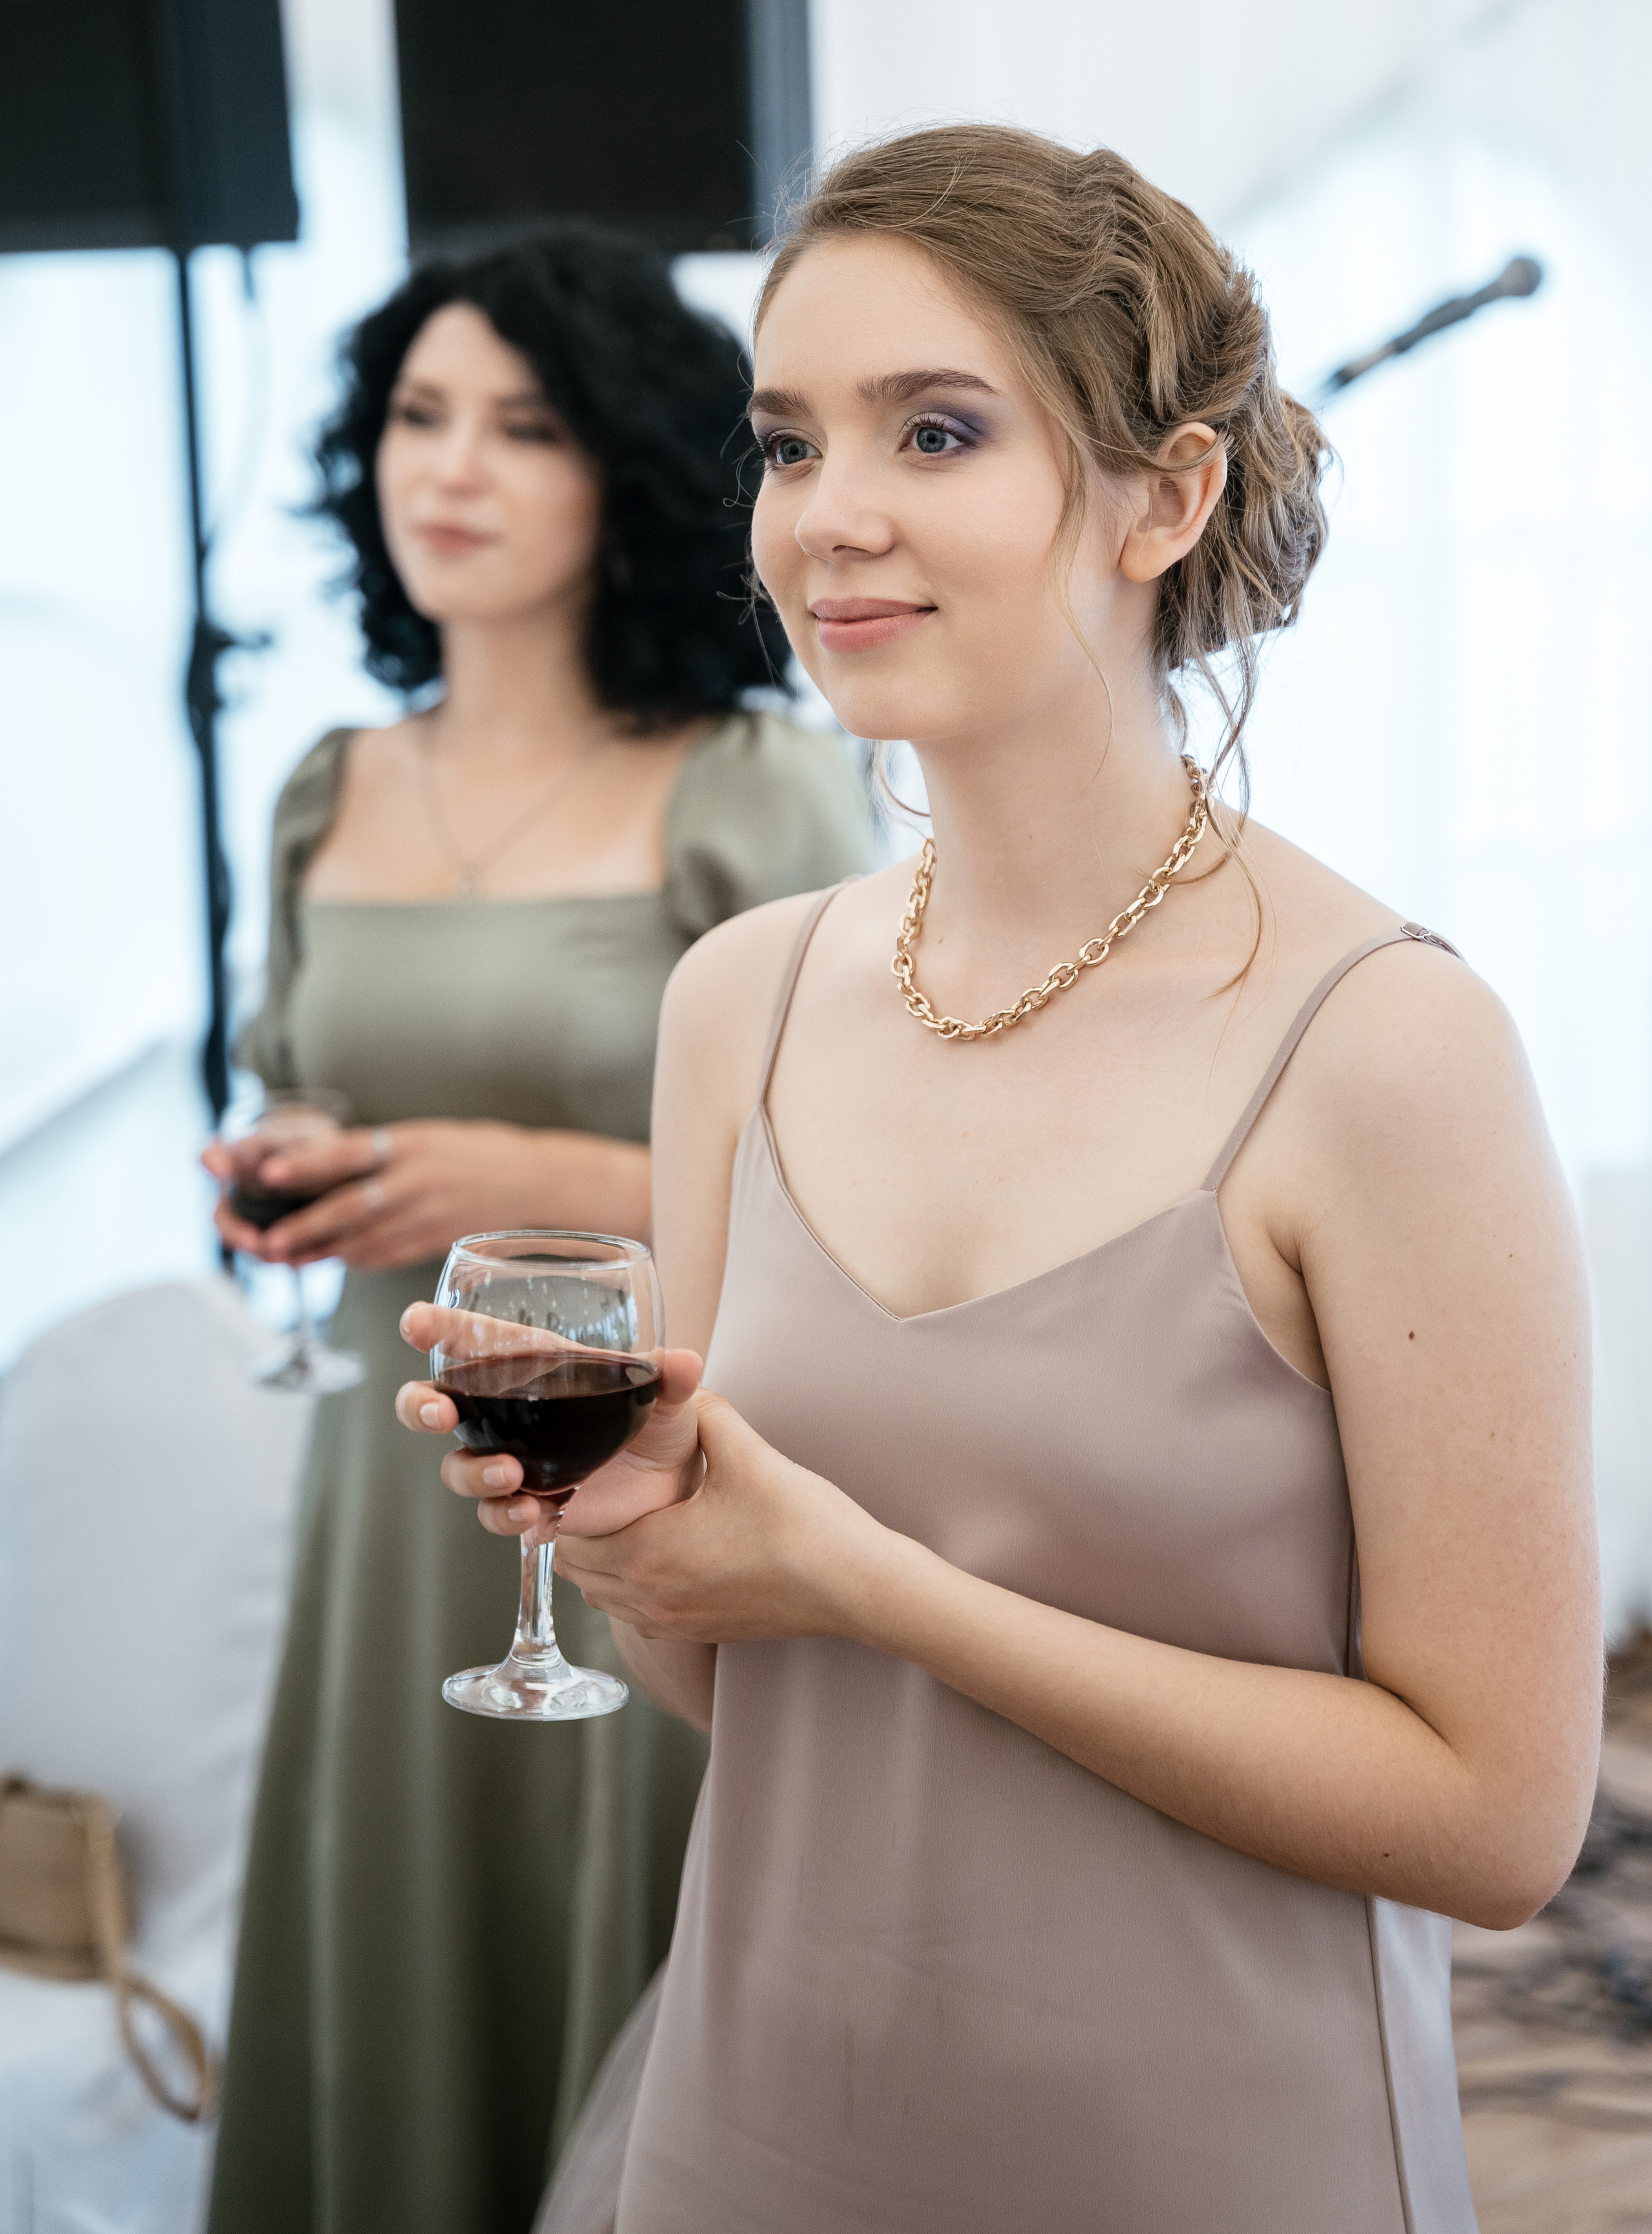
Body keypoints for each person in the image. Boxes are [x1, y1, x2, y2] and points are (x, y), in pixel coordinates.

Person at [404, 129, 1602, 2234]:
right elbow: (729, 1680)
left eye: (936, 430)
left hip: (1206, 2157)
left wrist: (868, 1578)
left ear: (1169, 493)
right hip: (752, 2129)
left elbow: (1500, 1821)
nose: (828, 517)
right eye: (787, 444)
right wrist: (630, 1529)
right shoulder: (742, 1002)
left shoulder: (1387, 1050)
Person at [205, 227, 874, 2234]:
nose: (453, 470)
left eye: (524, 424)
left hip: (634, 1446)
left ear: (632, 475)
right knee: (402, 1905)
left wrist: (519, 1179)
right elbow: (298, 1078)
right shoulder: (328, 785)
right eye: (418, 417)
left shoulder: (748, 785)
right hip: (386, 1470)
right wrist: (306, 1162)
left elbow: (851, 1175)